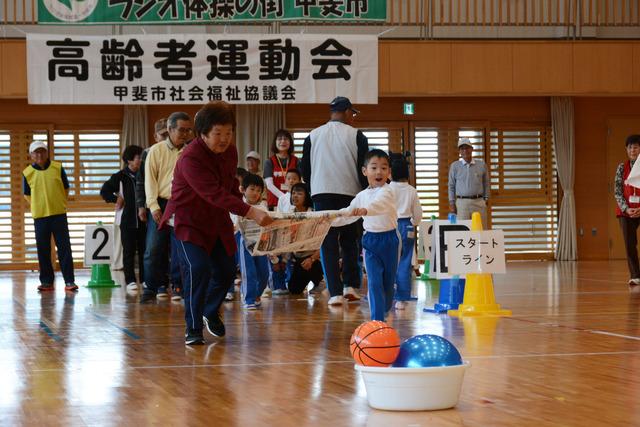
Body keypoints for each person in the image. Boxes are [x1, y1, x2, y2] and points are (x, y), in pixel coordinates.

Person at [160, 101, 272, 345]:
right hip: (188, 221)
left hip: (216, 220)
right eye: (218, 134)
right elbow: (212, 192)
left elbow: (227, 185)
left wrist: (241, 199)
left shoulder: (230, 151)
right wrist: (250, 211)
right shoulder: (190, 158)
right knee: (197, 269)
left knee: (226, 270)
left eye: (229, 133)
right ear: (202, 134)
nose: (224, 139)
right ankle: (193, 328)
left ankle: (209, 310)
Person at [300, 96, 369, 306]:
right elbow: (363, 168)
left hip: (322, 194)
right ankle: (351, 286)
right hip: (350, 193)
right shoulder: (356, 135)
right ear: (347, 112)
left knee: (328, 244)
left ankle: (335, 293)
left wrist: (313, 193)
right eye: (353, 114)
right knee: (350, 241)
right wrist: (364, 194)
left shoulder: (313, 135)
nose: (353, 118)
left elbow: (305, 170)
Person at [140, 112, 192, 303]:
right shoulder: (155, 150)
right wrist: (153, 206)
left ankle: (178, 286)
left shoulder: (191, 151)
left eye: (188, 130)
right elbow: (149, 181)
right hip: (161, 203)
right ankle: (151, 286)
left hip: (183, 204)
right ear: (170, 130)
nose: (185, 134)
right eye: (181, 130)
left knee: (181, 248)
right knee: (153, 248)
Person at [341, 149, 398, 321]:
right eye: (374, 168)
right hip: (370, 242)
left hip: (390, 241)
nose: (379, 172)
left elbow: (379, 205)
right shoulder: (361, 195)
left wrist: (366, 210)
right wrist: (330, 219)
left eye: (383, 168)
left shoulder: (388, 191)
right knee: (373, 283)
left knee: (388, 285)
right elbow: (348, 213)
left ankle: (386, 307)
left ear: (389, 172)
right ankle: (377, 320)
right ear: (365, 171)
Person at [23, 141, 77, 292]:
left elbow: (66, 188)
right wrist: (39, 204)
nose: (39, 155)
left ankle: (69, 281)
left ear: (47, 153)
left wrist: (59, 202)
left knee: (64, 248)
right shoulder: (27, 173)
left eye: (42, 152)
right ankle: (46, 282)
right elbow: (27, 194)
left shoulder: (57, 168)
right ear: (31, 155)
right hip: (40, 216)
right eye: (36, 152)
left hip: (58, 214)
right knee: (43, 249)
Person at [100, 145, 145, 290]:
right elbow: (104, 191)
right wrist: (116, 199)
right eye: (138, 157)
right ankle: (130, 280)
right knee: (128, 251)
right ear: (129, 160)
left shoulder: (145, 173)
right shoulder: (120, 176)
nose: (141, 160)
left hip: (144, 220)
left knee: (145, 251)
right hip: (127, 221)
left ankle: (145, 280)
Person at [233, 174, 272, 308]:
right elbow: (234, 226)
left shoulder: (263, 207)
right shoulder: (237, 205)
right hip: (244, 243)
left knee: (264, 273)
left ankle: (256, 295)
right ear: (243, 189)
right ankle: (249, 299)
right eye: (252, 189)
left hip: (261, 244)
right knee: (249, 271)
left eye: (259, 190)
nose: (255, 193)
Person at [389, 157, 423, 309]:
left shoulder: (388, 189)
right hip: (407, 226)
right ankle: (402, 299)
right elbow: (418, 214)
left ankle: (388, 293)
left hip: (390, 225)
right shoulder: (412, 190)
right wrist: (413, 223)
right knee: (405, 262)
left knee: (389, 261)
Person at [286, 183, 324, 295]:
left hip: (315, 257)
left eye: (299, 193)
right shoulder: (289, 214)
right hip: (298, 257)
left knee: (311, 264)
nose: (295, 196)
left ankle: (321, 280)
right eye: (293, 193)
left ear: (307, 196)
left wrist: (312, 259)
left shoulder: (314, 214)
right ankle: (312, 279)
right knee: (293, 289)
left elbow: (323, 242)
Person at [615, 134, 640, 286]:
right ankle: (636, 275)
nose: (632, 150)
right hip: (626, 211)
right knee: (629, 244)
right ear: (626, 149)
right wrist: (626, 209)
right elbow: (617, 191)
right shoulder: (621, 167)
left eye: (636, 147)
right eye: (630, 147)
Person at [448, 137, 490, 227]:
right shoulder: (455, 166)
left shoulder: (481, 164)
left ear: (471, 149)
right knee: (463, 231)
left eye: (467, 148)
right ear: (459, 151)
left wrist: (485, 199)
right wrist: (452, 203)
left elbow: (486, 183)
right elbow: (451, 186)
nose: (465, 151)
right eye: (462, 149)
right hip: (462, 203)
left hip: (479, 202)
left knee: (481, 230)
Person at [264, 129, 299, 210]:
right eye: (279, 139)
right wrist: (284, 198)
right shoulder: (269, 162)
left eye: (286, 139)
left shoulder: (296, 161)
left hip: (293, 203)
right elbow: (269, 185)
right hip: (275, 203)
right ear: (275, 142)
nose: (283, 141)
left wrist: (291, 197)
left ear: (290, 142)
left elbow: (300, 181)